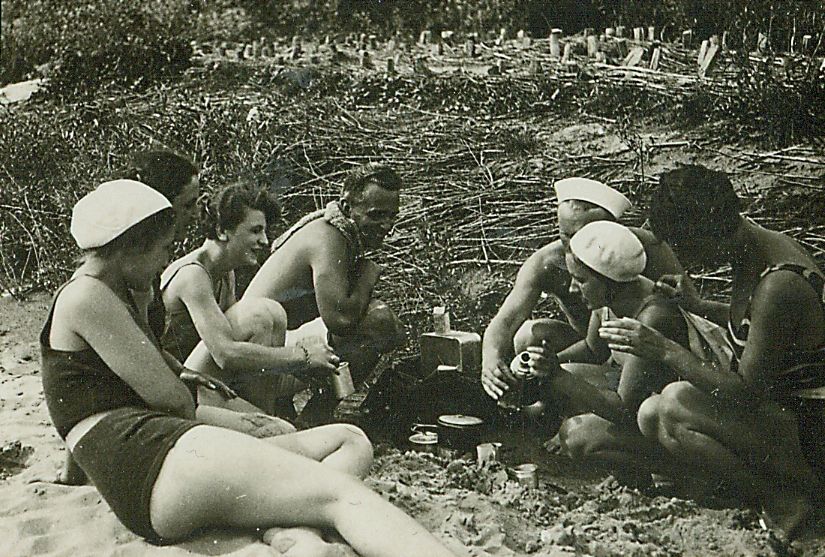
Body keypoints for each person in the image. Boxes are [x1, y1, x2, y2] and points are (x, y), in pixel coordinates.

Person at [42, 179, 457, 556]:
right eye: (163, 248)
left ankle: (291, 531)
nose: (165, 260)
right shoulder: (88, 298)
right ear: (131, 247)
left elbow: (88, 397)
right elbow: (171, 401)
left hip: (159, 457)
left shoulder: (110, 290)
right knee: (341, 496)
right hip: (153, 459)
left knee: (349, 440)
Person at [599, 165, 825, 538]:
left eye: (683, 246)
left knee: (674, 404)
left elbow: (745, 392)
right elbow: (763, 331)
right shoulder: (756, 248)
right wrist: (700, 306)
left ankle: (787, 502)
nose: (683, 258)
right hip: (790, 417)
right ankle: (753, 492)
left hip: (810, 432)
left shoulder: (778, 283)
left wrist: (663, 348)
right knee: (653, 412)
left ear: (705, 234)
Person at [514, 221, 712, 485]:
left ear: (609, 280)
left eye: (581, 280)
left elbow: (623, 409)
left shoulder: (652, 317)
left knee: (577, 436)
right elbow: (592, 349)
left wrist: (557, 375)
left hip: (668, 419)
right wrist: (543, 364)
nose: (572, 289)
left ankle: (669, 474)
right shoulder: (610, 297)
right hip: (641, 401)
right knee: (569, 375)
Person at [481, 177, 686, 405]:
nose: (575, 244)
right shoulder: (548, 262)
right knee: (530, 335)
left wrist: (678, 298)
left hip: (648, 357)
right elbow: (507, 320)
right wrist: (492, 360)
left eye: (586, 234)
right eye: (566, 235)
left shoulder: (645, 249)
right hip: (597, 346)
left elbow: (690, 314)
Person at [244, 163, 405, 421]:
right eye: (376, 215)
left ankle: (297, 412)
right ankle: (314, 419)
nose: (386, 225)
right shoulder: (329, 237)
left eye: (391, 216)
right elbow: (340, 320)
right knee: (379, 321)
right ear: (347, 207)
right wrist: (366, 276)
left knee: (386, 324)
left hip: (273, 350)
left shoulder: (335, 229)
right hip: (256, 363)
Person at [161, 182, 338, 417]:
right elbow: (226, 355)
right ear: (222, 231)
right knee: (261, 314)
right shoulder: (193, 275)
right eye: (255, 231)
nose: (264, 240)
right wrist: (302, 356)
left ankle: (266, 413)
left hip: (205, 378)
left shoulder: (225, 272)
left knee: (288, 321)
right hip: (179, 387)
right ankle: (266, 417)